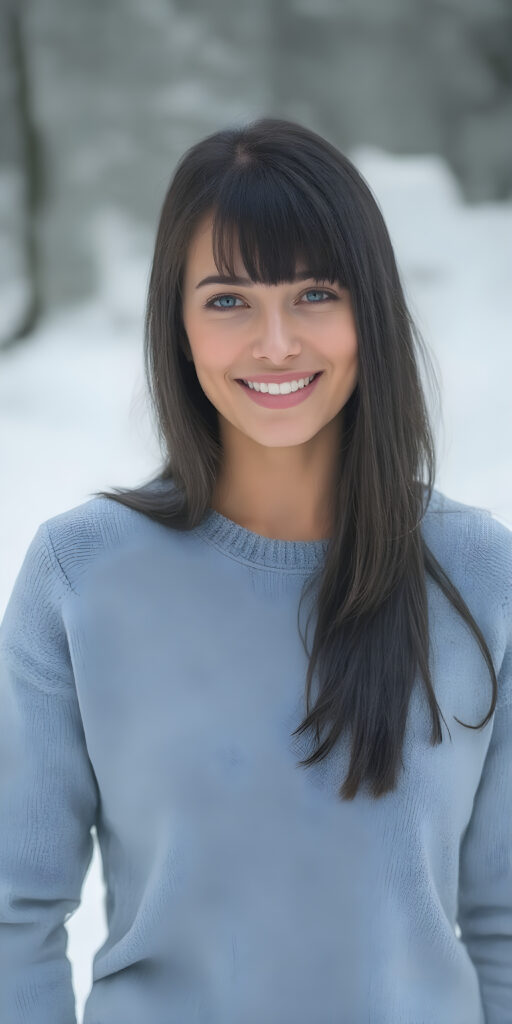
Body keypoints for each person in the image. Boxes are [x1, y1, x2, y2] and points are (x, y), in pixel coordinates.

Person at [0, 116, 510, 1024]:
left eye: (315, 293)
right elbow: (14, 913)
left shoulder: (481, 573)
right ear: (179, 325)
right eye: (229, 300)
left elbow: (505, 921)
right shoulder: (80, 574)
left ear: (372, 312)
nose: (275, 343)